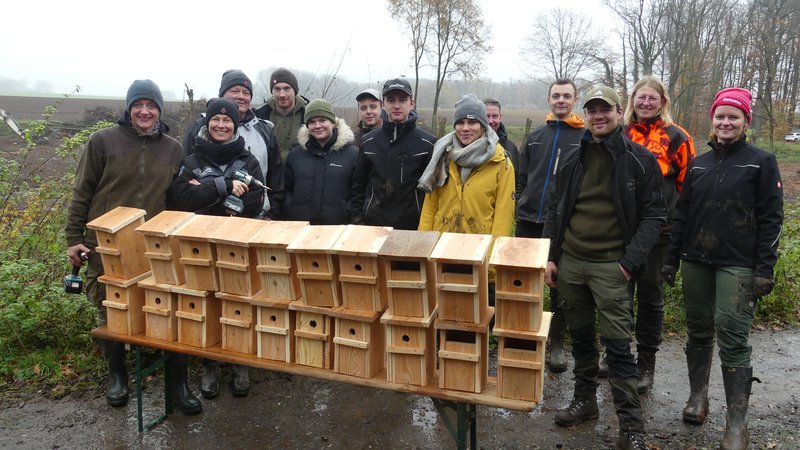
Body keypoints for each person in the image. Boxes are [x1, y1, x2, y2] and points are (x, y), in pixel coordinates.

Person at [65, 80, 201, 415]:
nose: (144, 111)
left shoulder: (173, 149)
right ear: (128, 108)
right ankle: (118, 378)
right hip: (106, 245)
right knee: (110, 309)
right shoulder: (102, 141)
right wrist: (73, 238)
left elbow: (177, 197)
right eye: (138, 105)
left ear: (159, 111)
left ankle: (178, 386)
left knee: (169, 310)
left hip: (153, 246)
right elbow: (82, 191)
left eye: (151, 106)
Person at [543, 85, 666, 449]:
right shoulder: (572, 160)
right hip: (571, 263)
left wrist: (629, 263)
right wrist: (550, 256)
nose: (599, 116)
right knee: (581, 339)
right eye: (592, 110)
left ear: (618, 112)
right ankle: (585, 401)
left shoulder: (639, 160)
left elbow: (655, 216)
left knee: (617, 348)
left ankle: (631, 426)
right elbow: (555, 209)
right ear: (586, 114)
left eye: (605, 109)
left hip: (612, 266)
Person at [663, 87, 783, 450]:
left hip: (739, 264)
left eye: (734, 117)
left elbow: (772, 218)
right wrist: (671, 258)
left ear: (746, 121)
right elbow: (682, 214)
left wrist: (765, 268)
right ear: (712, 121)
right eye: (720, 117)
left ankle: (736, 423)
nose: (726, 122)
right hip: (696, 261)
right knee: (698, 330)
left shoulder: (761, 162)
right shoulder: (699, 164)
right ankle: (697, 398)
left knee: (732, 335)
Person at [171, 98, 265, 400]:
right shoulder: (192, 161)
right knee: (207, 302)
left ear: (235, 126)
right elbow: (182, 199)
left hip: (238, 244)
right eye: (216, 120)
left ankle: (239, 362)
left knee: (239, 301)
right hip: (201, 245)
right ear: (207, 123)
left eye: (227, 121)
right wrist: (225, 187)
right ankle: (209, 363)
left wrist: (207, 193)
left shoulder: (248, 161)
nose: (221, 125)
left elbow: (255, 202)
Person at [623, 76, 696, 393]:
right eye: (641, 97)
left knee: (650, 298)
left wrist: (679, 225)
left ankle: (646, 364)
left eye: (652, 98)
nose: (646, 103)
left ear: (662, 102)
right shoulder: (621, 132)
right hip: (623, 230)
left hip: (660, 231)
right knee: (618, 295)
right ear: (632, 100)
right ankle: (618, 355)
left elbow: (688, 186)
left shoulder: (677, 136)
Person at [516, 79, 585, 373]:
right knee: (522, 283)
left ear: (575, 100)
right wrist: (521, 202)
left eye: (566, 96)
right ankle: (524, 339)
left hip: (560, 224)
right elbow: (522, 176)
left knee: (558, 285)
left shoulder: (583, 138)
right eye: (556, 95)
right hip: (528, 220)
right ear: (548, 99)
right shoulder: (535, 137)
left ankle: (557, 344)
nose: (561, 100)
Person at [183, 70, 284, 219]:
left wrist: (273, 213)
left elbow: (275, 177)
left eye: (246, 92)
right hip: (202, 220)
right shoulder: (199, 129)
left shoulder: (264, 130)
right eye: (234, 91)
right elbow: (185, 179)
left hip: (256, 218)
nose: (240, 96)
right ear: (222, 94)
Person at [417, 93, 515, 238]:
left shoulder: (500, 162)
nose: (465, 128)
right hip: (442, 244)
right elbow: (430, 208)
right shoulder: (442, 156)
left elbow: (504, 217)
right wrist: (424, 242)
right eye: (460, 123)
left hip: (479, 245)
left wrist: (493, 250)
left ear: (483, 126)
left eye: (472, 122)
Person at [349, 78, 435, 230]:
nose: (396, 105)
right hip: (373, 227)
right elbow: (358, 187)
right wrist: (358, 221)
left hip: (413, 228)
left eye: (402, 100)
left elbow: (435, 192)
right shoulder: (368, 142)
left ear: (412, 103)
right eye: (390, 100)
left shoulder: (428, 143)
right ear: (383, 105)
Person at [282, 99, 359, 224]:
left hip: (337, 228)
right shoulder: (295, 155)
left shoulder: (352, 154)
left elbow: (357, 194)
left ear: (333, 123)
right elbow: (287, 190)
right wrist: (289, 208)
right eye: (312, 122)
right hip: (299, 227)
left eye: (322, 120)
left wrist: (348, 213)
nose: (317, 126)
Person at [254, 68, 309, 162]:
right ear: (272, 91)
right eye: (277, 89)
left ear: (295, 91)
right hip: (269, 170)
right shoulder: (258, 116)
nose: (282, 94)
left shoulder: (308, 115)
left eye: (287, 88)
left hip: (301, 170)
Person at [483, 98, 519, 171]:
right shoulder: (467, 145)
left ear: (500, 117)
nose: (490, 121)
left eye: (495, 116)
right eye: (487, 116)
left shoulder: (510, 149)